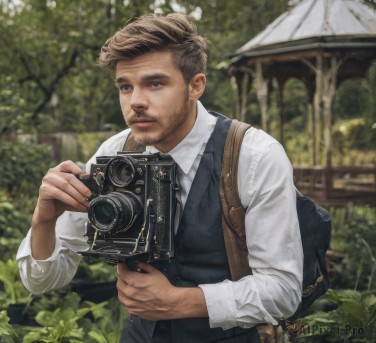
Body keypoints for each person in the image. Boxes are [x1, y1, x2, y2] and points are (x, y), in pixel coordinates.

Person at [17, 13, 303, 342]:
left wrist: (180, 302)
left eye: (155, 83)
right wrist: (43, 222)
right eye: (125, 86)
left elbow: (283, 291)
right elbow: (40, 282)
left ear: (195, 85)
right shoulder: (116, 153)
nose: (136, 101)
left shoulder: (254, 157)